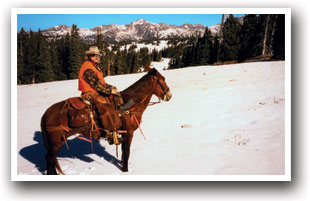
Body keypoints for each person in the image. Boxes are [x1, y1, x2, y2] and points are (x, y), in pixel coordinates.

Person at [78, 46, 123, 145]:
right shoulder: (87, 67)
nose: (97, 57)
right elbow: (96, 85)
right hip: (89, 93)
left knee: (115, 98)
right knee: (105, 106)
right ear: (89, 56)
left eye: (98, 55)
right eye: (95, 55)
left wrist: (111, 87)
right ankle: (110, 132)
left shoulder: (95, 67)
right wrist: (109, 90)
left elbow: (101, 83)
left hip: (96, 91)